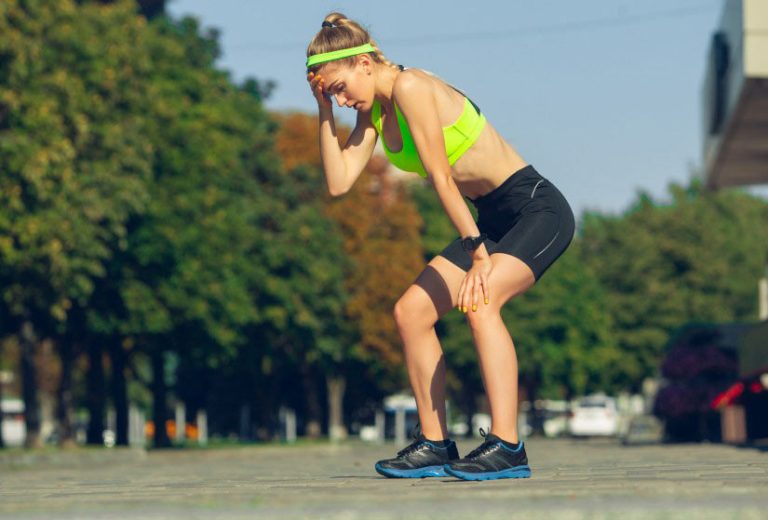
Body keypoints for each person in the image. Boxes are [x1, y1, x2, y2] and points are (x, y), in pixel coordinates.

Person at [305, 12, 575, 481]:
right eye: (333, 94)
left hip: (535, 209)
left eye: (341, 88)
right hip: (489, 219)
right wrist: (323, 111)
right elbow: (338, 181)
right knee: (411, 312)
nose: (342, 100)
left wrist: (477, 256)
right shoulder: (375, 112)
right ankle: (434, 443)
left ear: (365, 63)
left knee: (481, 301)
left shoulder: (411, 87)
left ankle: (508, 446)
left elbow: (441, 177)